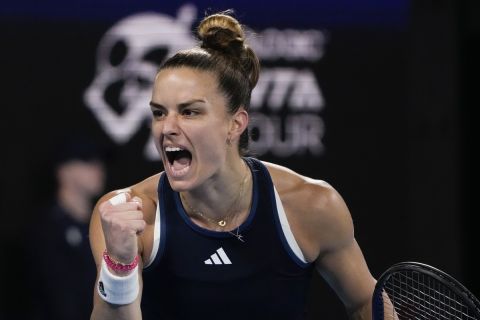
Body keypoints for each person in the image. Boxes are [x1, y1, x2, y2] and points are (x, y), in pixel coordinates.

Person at [89, 10, 376, 320]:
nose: (166, 127)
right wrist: (119, 266)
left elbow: (364, 302)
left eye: (189, 112)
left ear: (235, 124)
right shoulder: (129, 214)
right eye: (159, 113)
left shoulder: (312, 206)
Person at [26, 138, 106, 320]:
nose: (98, 168)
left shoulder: (104, 225)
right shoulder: (45, 231)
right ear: (63, 171)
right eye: (86, 161)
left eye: (98, 162)